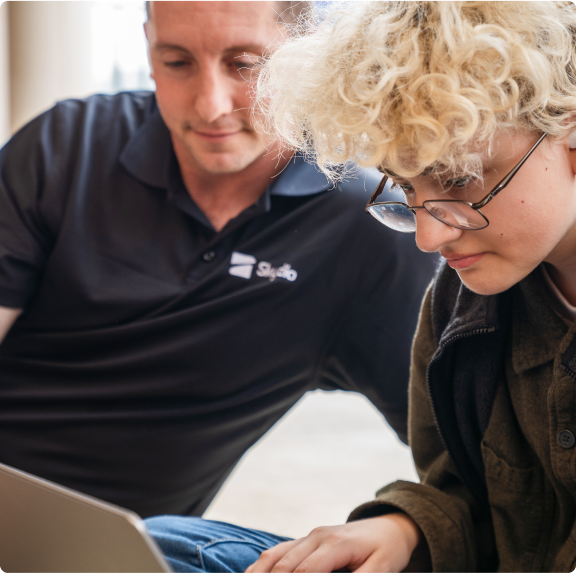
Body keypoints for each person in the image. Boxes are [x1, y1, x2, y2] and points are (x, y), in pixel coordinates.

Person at [145, 0, 576, 572]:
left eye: (456, 178)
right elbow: (467, 496)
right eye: (404, 186)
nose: (427, 235)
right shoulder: (458, 305)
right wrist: (403, 527)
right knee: (164, 545)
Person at [0, 0, 435, 519]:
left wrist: (408, 522)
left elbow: (464, 452)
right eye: (177, 62)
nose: (209, 106)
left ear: (307, 54)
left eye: (245, 64)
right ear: (148, 42)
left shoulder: (363, 233)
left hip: (105, 542)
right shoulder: (64, 146)